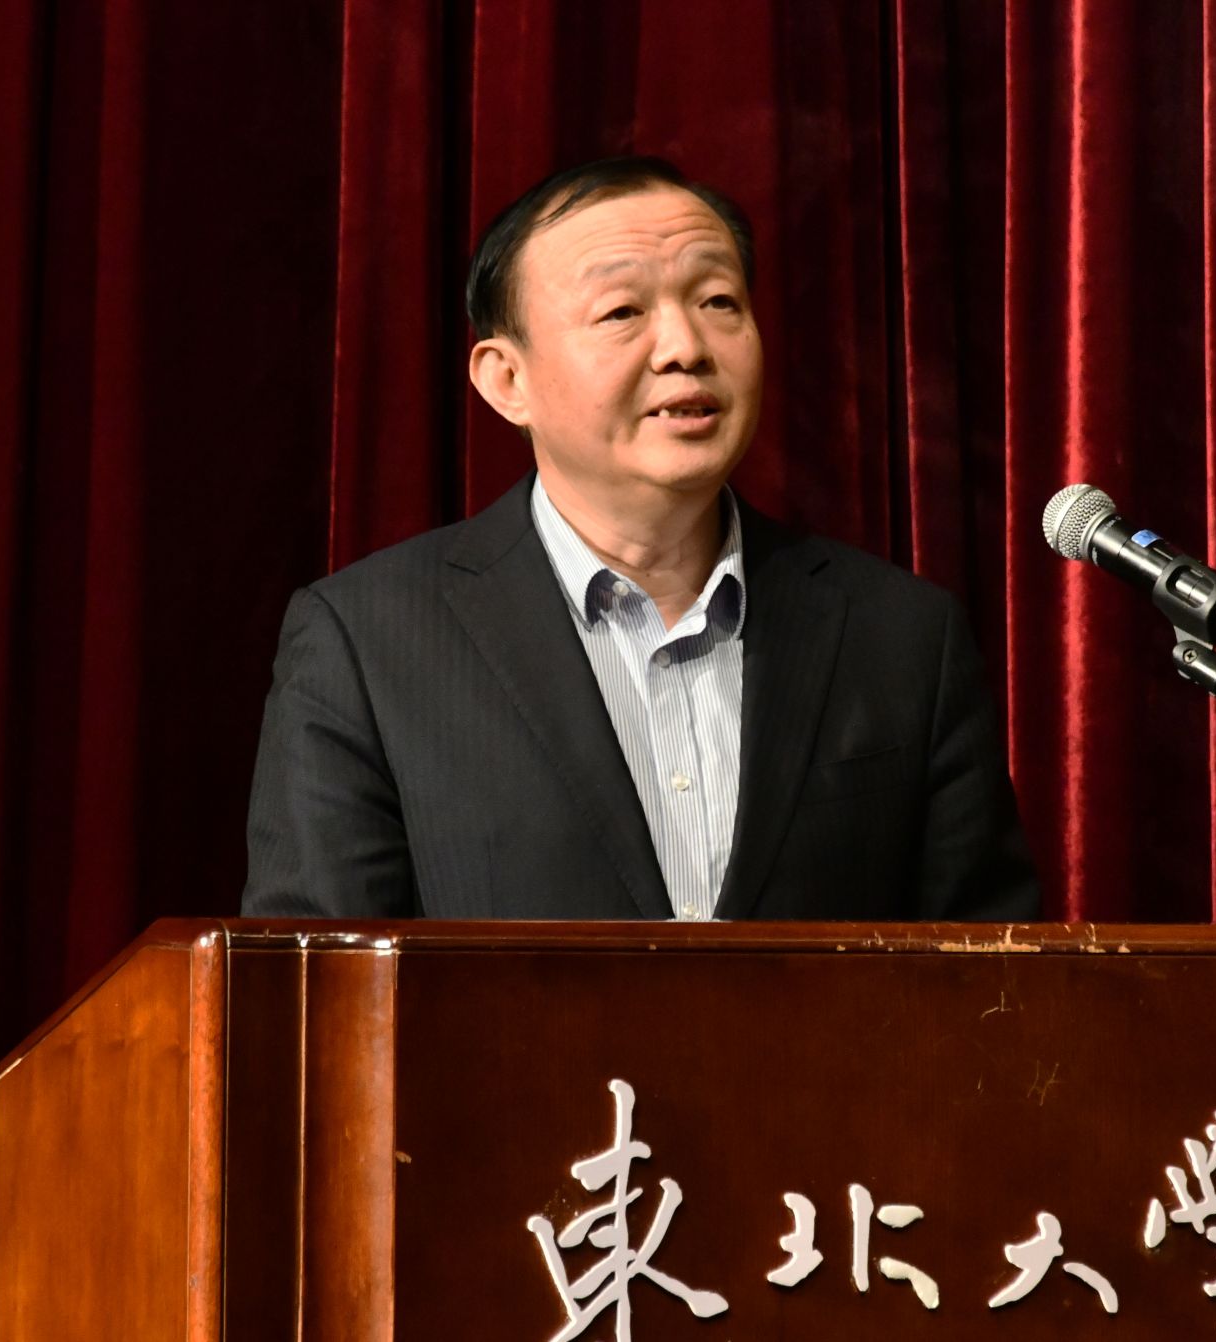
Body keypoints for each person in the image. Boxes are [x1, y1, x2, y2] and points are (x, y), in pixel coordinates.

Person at [241, 156, 1038, 921]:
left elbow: (989, 973)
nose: (686, 347)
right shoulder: (369, 643)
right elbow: (316, 985)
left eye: (718, 301)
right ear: (507, 380)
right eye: (623, 312)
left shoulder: (901, 635)